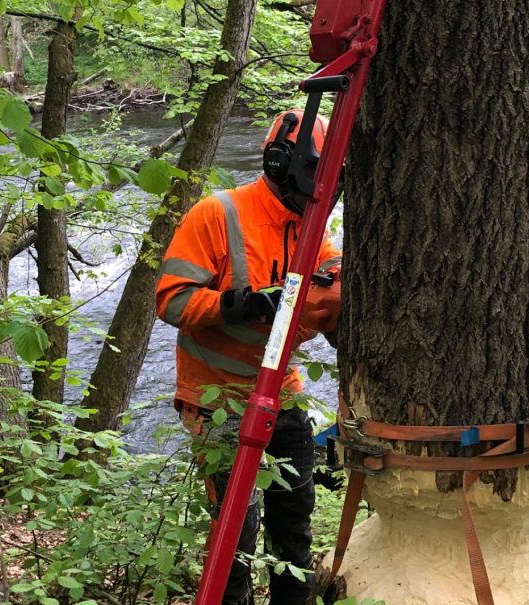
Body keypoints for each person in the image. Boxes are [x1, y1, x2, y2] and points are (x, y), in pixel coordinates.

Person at [154, 109, 342, 605]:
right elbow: (170, 300)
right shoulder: (218, 214)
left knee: (294, 524)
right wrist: (242, 304)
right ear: (284, 163)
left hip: (283, 394)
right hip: (217, 399)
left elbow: (329, 279)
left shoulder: (311, 221)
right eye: (316, 173)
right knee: (235, 534)